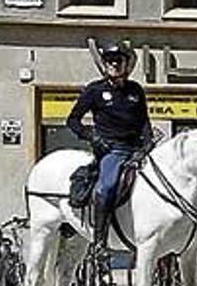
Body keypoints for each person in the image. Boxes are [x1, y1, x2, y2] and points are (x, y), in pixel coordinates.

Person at [65, 40, 152, 252]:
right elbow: (72, 120)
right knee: (107, 187)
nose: (114, 64)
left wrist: (147, 143)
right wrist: (91, 136)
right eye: (110, 61)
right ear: (104, 64)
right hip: (111, 150)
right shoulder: (94, 91)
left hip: (137, 151)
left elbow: (144, 122)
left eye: (118, 60)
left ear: (126, 64)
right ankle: (100, 243)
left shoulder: (135, 90)